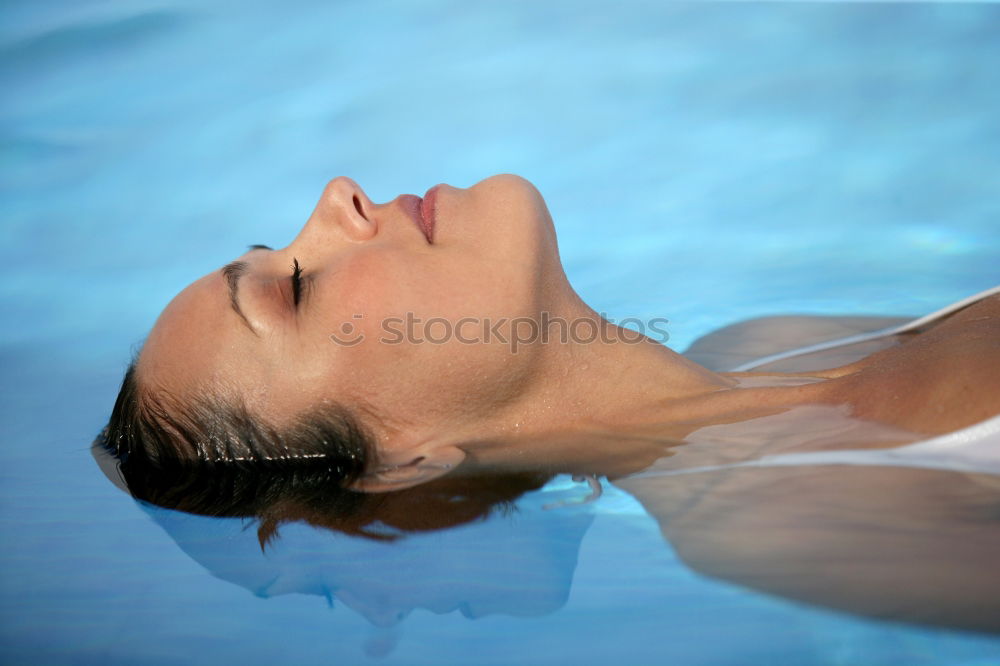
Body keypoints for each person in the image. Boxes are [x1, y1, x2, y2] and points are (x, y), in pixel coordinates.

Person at [99, 175, 1000, 632]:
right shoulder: (774, 523)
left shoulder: (767, 340)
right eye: (293, 289)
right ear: (402, 455)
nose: (340, 196)